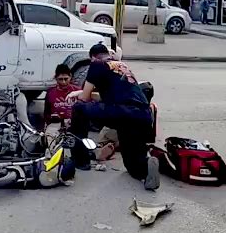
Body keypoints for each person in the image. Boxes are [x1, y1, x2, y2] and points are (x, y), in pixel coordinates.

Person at [68, 43, 160, 190]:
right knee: (131, 164)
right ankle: (146, 168)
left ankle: (81, 160)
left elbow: (85, 98)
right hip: (142, 114)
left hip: (121, 111)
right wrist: (82, 93)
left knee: (79, 108)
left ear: (93, 57)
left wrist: (79, 94)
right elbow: (108, 99)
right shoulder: (122, 66)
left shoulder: (96, 64)